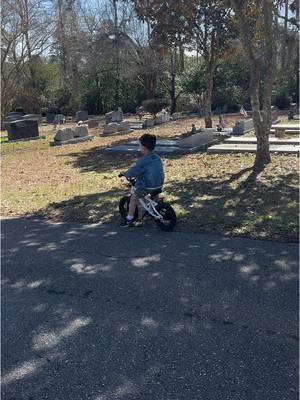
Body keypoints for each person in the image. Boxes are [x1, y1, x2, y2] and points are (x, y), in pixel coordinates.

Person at [119, 133, 164, 227]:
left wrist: (125, 173)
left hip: (148, 185)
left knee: (134, 196)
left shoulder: (143, 160)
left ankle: (130, 218)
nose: (139, 147)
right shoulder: (156, 157)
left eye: (139, 145)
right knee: (154, 192)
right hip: (159, 183)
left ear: (144, 148)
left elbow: (134, 170)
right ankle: (154, 206)